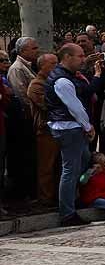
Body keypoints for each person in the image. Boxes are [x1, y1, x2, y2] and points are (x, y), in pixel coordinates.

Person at [46, 43, 98, 227]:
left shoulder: (67, 77)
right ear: (67, 57)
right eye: (80, 56)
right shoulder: (62, 80)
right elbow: (75, 107)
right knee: (70, 170)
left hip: (71, 126)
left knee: (82, 162)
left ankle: (76, 199)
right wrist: (87, 126)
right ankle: (67, 213)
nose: (83, 59)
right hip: (68, 127)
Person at [26, 53, 59, 206]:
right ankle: (45, 198)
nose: (56, 67)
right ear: (42, 66)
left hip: (59, 128)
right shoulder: (37, 85)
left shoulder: (55, 81)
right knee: (46, 166)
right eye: (52, 64)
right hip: (45, 129)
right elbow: (49, 105)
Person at [8, 36, 38, 102]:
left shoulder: (28, 65)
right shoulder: (16, 68)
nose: (37, 51)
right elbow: (21, 95)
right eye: (34, 48)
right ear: (23, 51)